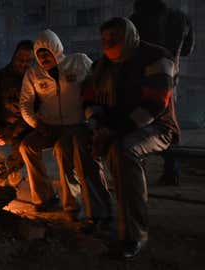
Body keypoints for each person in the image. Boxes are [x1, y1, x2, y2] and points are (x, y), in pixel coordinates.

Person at [82, 17, 178, 259]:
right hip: (114, 127)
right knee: (78, 141)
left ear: (129, 36)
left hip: (155, 127)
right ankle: (101, 213)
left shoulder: (156, 58)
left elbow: (155, 105)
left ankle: (133, 235)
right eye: (104, 39)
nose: (108, 43)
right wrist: (96, 127)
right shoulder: (100, 67)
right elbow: (90, 99)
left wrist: (113, 131)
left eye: (114, 37)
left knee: (124, 150)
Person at [19, 29, 93, 215]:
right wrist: (36, 124)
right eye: (39, 54)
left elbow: (97, 83)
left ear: (56, 49)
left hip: (76, 125)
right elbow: (25, 103)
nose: (43, 58)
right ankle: (45, 197)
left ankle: (72, 205)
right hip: (48, 126)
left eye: (47, 52)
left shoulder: (78, 62)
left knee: (62, 150)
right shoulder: (33, 74)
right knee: (26, 146)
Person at [130, 0, 195, 185]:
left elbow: (129, 47)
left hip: (142, 77)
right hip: (170, 75)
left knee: (140, 121)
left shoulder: (136, 18)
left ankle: (138, 170)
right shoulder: (181, 18)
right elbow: (188, 49)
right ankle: (171, 171)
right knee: (168, 121)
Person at [0, 40, 34, 186]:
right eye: (20, 59)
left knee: (24, 148)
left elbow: (34, 113)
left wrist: (12, 132)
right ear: (14, 57)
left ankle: (12, 172)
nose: (23, 64)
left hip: (22, 131)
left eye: (28, 61)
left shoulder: (34, 81)